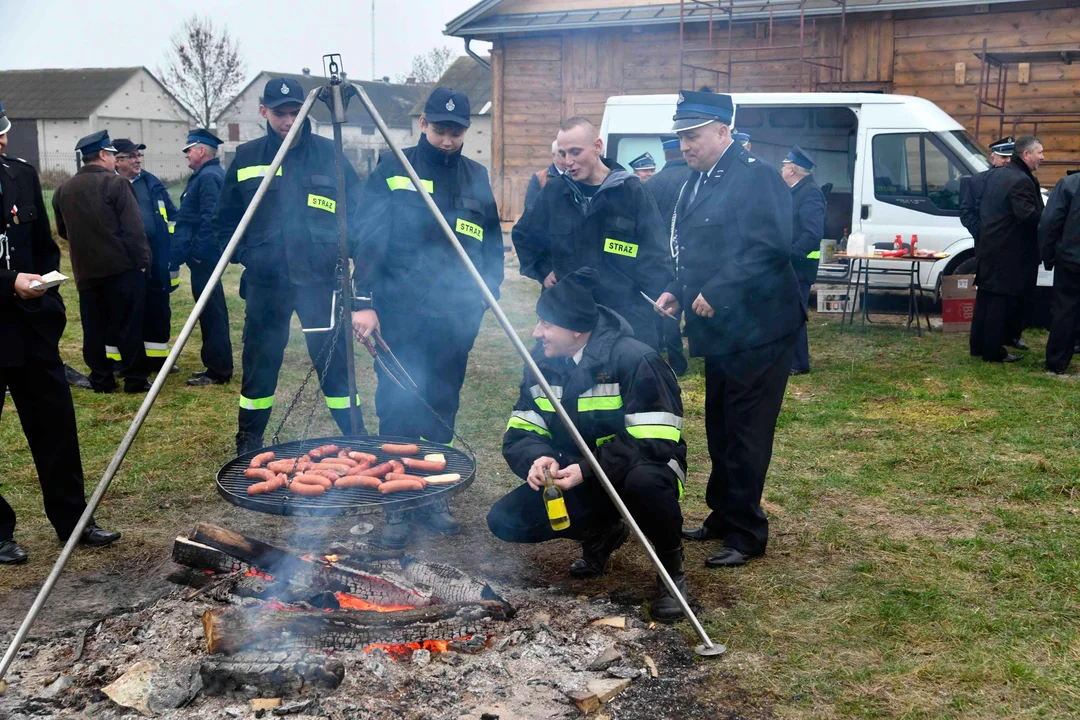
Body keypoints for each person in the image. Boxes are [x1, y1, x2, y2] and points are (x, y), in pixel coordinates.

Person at [488, 268, 690, 620]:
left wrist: (586, 468)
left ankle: (671, 569)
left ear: (576, 330)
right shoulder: (541, 366)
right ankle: (604, 532)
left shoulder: (636, 360)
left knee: (646, 481)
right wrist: (538, 458)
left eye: (546, 325)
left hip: (639, 470)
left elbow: (655, 441)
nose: (537, 333)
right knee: (506, 520)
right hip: (581, 474)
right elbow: (523, 429)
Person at [655, 91, 803, 568]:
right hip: (722, 332)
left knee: (745, 433)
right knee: (720, 428)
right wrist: (680, 289)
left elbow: (769, 248)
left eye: (693, 136)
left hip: (759, 330)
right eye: (680, 137)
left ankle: (746, 532)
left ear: (723, 132)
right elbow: (701, 250)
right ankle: (723, 514)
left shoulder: (756, 177)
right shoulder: (698, 181)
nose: (685, 146)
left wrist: (717, 290)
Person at [352, 87, 502, 548]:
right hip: (400, 312)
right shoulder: (394, 170)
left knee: (442, 402)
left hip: (455, 318)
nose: (447, 140)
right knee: (397, 405)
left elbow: (492, 245)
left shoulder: (476, 177)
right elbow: (367, 238)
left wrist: (485, 296)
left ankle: (433, 495)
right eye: (440, 130)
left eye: (456, 132)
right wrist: (363, 302)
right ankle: (396, 506)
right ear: (423, 124)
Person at [214, 77, 367, 455]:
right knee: (260, 366)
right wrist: (247, 255)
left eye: (295, 112)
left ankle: (358, 438)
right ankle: (249, 439)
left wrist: (353, 259)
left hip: (319, 285)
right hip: (267, 285)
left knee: (335, 366)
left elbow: (360, 217)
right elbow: (225, 222)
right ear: (264, 112)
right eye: (280, 113)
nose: (288, 120)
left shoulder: (331, 155)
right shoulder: (247, 158)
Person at [0, 106, 120, 562]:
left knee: (56, 429)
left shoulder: (20, 175)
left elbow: (44, 246)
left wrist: (50, 296)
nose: (2, 142)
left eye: (3, 133)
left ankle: (73, 521)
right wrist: (6, 282)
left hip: (31, 328)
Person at [514, 116, 672, 350]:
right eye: (563, 153)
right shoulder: (555, 191)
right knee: (561, 382)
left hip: (623, 312)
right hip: (567, 314)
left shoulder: (630, 190)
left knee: (625, 380)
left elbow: (654, 251)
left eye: (576, 152)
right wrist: (542, 269)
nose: (568, 161)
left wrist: (659, 294)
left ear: (598, 147)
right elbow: (525, 236)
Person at [53, 130, 152, 394]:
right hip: (122, 269)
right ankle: (135, 380)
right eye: (110, 154)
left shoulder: (64, 189)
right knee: (128, 325)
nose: (112, 159)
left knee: (94, 328)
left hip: (86, 270)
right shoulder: (117, 184)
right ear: (102, 155)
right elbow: (133, 228)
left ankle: (101, 379)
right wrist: (142, 260)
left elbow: (63, 231)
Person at [969, 135, 1044, 364]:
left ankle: (978, 345)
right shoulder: (1020, 180)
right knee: (999, 304)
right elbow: (1027, 215)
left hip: (990, 246)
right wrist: (1050, 219)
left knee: (986, 299)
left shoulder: (996, 174)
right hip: (1008, 252)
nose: (1043, 157)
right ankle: (993, 351)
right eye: (1039, 152)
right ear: (1026, 154)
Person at [173, 129, 233, 387]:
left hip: (205, 258)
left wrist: (198, 253)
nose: (186, 155)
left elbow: (211, 218)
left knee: (212, 311)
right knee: (208, 311)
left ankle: (219, 370)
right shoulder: (204, 175)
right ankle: (214, 365)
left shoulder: (209, 177)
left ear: (201, 150)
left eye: (189, 149)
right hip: (203, 257)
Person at [113, 138, 177, 374]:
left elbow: (171, 217)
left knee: (158, 309)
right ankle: (124, 361)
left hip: (155, 261)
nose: (138, 160)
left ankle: (158, 361)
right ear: (117, 160)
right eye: (132, 156)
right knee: (127, 312)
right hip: (125, 263)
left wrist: (169, 250)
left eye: (139, 155)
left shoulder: (152, 183)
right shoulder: (110, 184)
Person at [960, 137, 1031, 351]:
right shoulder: (978, 180)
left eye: (1011, 157)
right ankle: (992, 340)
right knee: (994, 293)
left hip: (1012, 246)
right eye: (1003, 157)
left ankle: (1012, 334)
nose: (1008, 161)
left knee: (1015, 293)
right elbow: (966, 212)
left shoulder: (1018, 178)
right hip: (988, 244)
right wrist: (981, 233)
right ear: (993, 158)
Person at [643, 138, 691, 376]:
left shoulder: (651, 183)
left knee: (663, 305)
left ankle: (669, 358)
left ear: (665, 154)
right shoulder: (696, 179)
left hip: (659, 255)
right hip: (689, 252)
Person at [781, 146, 825, 376]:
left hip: (800, 266)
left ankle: (798, 362)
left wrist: (790, 254)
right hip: (792, 265)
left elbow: (812, 233)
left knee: (795, 314)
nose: (781, 169)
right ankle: (789, 359)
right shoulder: (794, 191)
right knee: (787, 313)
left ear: (791, 169)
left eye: (784, 165)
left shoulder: (810, 193)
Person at [1039, 169, 1080, 374]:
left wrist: (1047, 254)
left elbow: (1049, 222)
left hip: (1071, 259)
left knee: (1065, 309)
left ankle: (1057, 362)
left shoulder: (1069, 184)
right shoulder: (1069, 184)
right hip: (1071, 257)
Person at [514, 139, 566, 284]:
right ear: (553, 156)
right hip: (549, 244)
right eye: (562, 154)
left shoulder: (579, 175)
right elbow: (531, 212)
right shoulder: (540, 177)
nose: (566, 158)